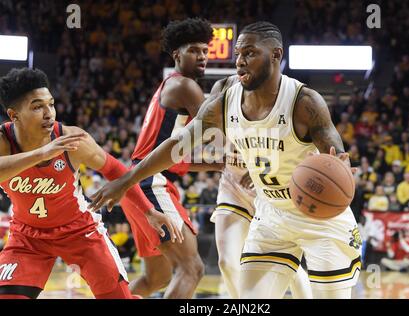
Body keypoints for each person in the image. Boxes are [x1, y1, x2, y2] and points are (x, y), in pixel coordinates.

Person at [89, 21, 362, 299]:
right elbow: (176, 145)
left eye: (251, 53)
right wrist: (126, 180)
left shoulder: (305, 102)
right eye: (238, 55)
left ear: (276, 55)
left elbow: (336, 157)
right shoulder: (223, 100)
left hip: (318, 216)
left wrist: (340, 169)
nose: (241, 62)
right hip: (271, 216)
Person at [0, 68, 181, 299]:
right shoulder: (3, 141)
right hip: (27, 236)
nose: (49, 113)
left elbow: (116, 170)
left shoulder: (72, 139)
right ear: (14, 115)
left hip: (80, 232)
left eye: (51, 104)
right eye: (37, 107)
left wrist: (149, 211)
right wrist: (42, 154)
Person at [113, 18, 214, 299]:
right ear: (177, 55)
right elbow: (218, 130)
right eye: (195, 50)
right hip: (153, 185)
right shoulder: (186, 87)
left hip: (141, 185)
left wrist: (219, 164)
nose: (202, 56)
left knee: (155, 278)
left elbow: (169, 156)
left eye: (205, 50)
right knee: (191, 268)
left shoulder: (168, 86)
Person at [209, 76, 312, 299]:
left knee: (288, 266)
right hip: (233, 187)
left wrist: (255, 169)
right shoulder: (223, 88)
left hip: (270, 190)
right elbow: (209, 141)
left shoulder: (278, 97)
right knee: (226, 262)